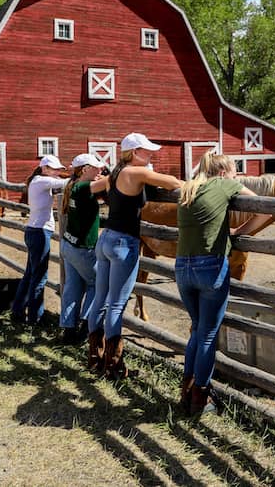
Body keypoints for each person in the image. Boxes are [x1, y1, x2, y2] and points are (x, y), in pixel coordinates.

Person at [175, 152, 270, 415]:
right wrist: (241, 232)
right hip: (210, 266)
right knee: (206, 334)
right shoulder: (224, 184)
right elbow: (265, 206)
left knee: (196, 329)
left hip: (183, 266)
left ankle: (187, 390)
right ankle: (200, 399)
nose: (236, 176)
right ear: (223, 172)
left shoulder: (188, 189)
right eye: (234, 172)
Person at [87, 133, 182, 379]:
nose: (151, 155)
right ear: (134, 152)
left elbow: (91, 188)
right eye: (146, 151)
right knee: (117, 304)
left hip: (106, 238)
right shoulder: (136, 173)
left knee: (100, 298)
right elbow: (173, 182)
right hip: (123, 242)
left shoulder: (114, 175)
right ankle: (114, 365)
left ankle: (94, 356)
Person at [10, 154, 69, 329]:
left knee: (30, 274)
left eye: (59, 170)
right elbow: (65, 183)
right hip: (40, 232)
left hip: (34, 230)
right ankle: (35, 318)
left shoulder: (37, 180)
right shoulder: (43, 181)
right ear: (45, 169)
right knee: (39, 277)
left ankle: (18, 310)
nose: (57, 173)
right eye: (54, 170)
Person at [57, 153, 108, 345]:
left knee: (73, 286)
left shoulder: (73, 185)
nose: (100, 170)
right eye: (96, 167)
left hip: (69, 243)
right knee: (99, 284)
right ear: (85, 169)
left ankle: (68, 330)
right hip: (83, 247)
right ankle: (86, 327)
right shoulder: (84, 186)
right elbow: (113, 180)